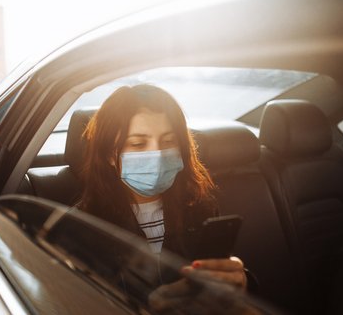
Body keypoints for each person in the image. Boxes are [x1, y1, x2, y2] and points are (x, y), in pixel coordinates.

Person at [78, 84, 247, 308]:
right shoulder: (83, 223)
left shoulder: (200, 207)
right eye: (138, 144)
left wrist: (240, 282)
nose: (156, 154)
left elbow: (217, 283)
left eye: (168, 141)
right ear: (109, 153)